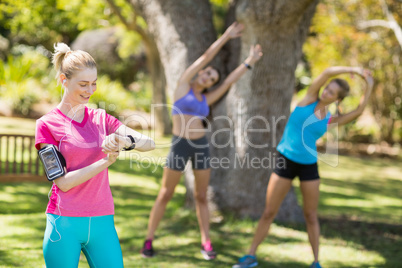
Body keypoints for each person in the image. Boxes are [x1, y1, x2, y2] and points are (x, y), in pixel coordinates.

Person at [140, 22, 263, 260]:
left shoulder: (207, 98)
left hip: (200, 147)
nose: (208, 77)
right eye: (207, 72)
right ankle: (149, 240)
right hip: (179, 144)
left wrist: (249, 62)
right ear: (200, 72)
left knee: (200, 196)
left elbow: (228, 82)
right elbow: (206, 56)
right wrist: (226, 37)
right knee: (166, 193)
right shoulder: (183, 86)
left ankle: (206, 242)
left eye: (212, 78)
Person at [233, 66, 374, 268]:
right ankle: (250, 256)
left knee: (310, 215)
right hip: (285, 161)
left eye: (331, 92)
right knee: (268, 212)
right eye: (327, 88)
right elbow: (327, 72)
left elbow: (359, 110)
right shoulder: (309, 99)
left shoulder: (329, 120)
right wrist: (353, 69)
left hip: (308, 166)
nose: (326, 92)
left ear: (337, 99)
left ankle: (316, 262)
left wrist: (369, 85)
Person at [35, 43, 155, 268]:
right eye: (83, 84)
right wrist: (105, 162)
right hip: (64, 224)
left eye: (93, 83)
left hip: (102, 221)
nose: (90, 90)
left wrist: (123, 141)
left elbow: (149, 143)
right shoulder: (46, 125)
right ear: (63, 80)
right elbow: (62, 183)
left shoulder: (101, 118)